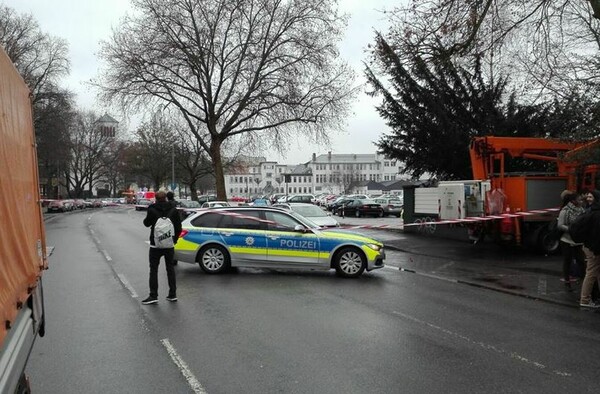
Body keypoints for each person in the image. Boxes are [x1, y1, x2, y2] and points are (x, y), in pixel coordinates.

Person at [142, 190, 182, 304]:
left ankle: (153, 295)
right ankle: (172, 294)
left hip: (155, 244)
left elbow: (146, 223)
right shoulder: (173, 209)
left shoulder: (152, 209)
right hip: (169, 244)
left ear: (156, 198)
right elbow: (178, 227)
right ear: (166, 198)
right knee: (170, 269)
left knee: (153, 269)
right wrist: (174, 240)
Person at [557, 191, 586, 290]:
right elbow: (560, 225)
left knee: (581, 261)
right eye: (579, 200)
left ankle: (584, 282)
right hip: (567, 240)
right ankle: (567, 282)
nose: (581, 201)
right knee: (567, 261)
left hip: (578, 241)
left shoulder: (582, 210)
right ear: (573, 201)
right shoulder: (565, 210)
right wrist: (571, 229)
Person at [579, 190, 600, 308]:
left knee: (594, 272)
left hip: (588, 246)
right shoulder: (595, 213)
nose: (589, 198)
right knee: (591, 273)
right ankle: (585, 300)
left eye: (591, 197)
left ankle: (585, 299)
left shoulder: (589, 211)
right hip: (594, 248)